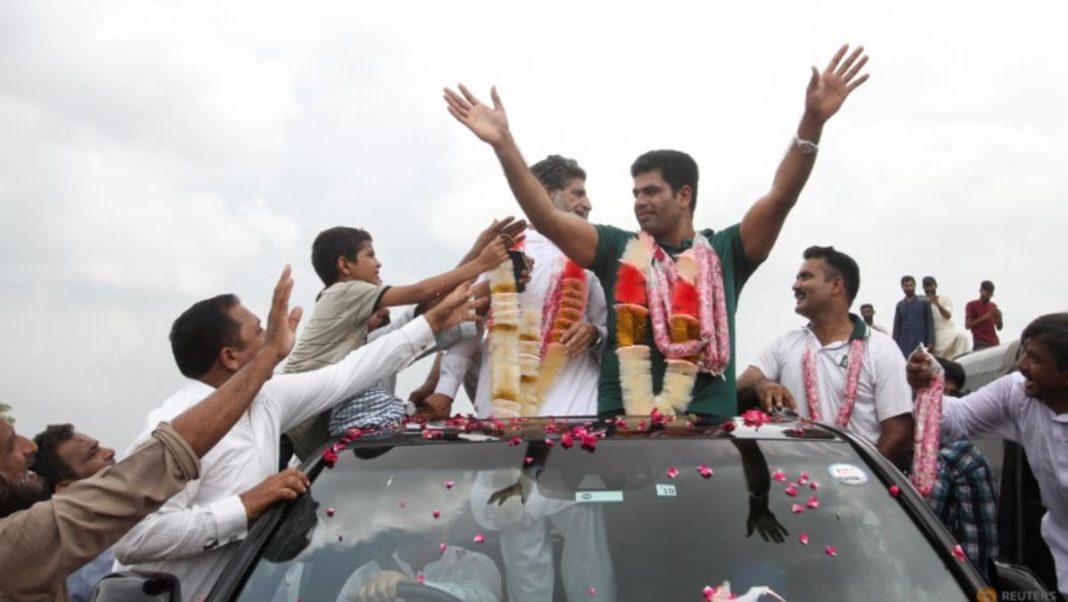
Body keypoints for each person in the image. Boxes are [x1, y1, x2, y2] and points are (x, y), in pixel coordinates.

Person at [444, 44, 871, 417]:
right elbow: (549, 219)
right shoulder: (617, 248)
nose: (639, 201)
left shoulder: (725, 252)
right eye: (635, 192)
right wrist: (504, 144)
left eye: (651, 191)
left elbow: (781, 196)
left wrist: (811, 122)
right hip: (625, 432)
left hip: (705, 429)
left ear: (684, 196)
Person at [112, 277, 484, 601]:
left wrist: (430, 324)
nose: (278, 336)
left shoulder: (266, 397)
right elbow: (133, 537)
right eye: (261, 331)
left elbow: (347, 374)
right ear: (230, 357)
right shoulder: (170, 426)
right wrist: (243, 507)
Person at [0, 266, 307, 602]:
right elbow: (154, 470)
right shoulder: (16, 546)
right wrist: (268, 357)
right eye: (9, 446)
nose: (28, 445)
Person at [282, 222, 511, 459]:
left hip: (295, 427)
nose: (378, 262)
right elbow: (422, 292)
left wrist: (481, 257)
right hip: (285, 424)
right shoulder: (344, 292)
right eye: (370, 255)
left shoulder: (361, 338)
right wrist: (482, 264)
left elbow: (424, 315)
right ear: (344, 265)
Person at [426, 155, 607, 419]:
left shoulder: (595, 251)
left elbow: (610, 328)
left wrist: (594, 333)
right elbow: (471, 320)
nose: (587, 204)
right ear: (546, 193)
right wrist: (445, 390)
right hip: (505, 399)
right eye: (577, 194)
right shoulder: (505, 249)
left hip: (575, 400)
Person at [908, 313, 1068, 596]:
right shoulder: (1017, 394)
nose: (1022, 366)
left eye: (1035, 359)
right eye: (1024, 353)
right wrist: (928, 383)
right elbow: (956, 420)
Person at [737, 246, 913, 465]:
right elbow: (734, 394)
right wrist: (760, 386)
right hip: (797, 485)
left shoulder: (881, 348)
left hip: (858, 491)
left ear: (836, 285)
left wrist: (858, 483)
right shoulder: (785, 343)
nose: (795, 285)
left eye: (805, 277)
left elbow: (899, 433)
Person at [925, 358, 998, 578]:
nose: (942, 403)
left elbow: (977, 547)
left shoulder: (963, 458)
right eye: (936, 392)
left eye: (950, 395)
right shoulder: (891, 441)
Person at [29, 425, 119, 602]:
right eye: (93, 454)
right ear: (66, 487)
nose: (110, 451)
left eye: (99, 446)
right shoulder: (77, 564)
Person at [922, 276, 970, 359]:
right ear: (923, 288)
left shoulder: (944, 299)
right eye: (926, 286)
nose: (929, 288)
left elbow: (948, 315)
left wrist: (937, 304)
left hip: (948, 332)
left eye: (931, 286)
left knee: (962, 338)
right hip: (934, 336)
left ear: (935, 286)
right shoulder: (921, 303)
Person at [892, 275, 934, 357]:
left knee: (921, 365)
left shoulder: (923, 300)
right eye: (906, 286)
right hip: (904, 343)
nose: (909, 288)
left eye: (911, 285)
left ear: (915, 286)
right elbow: (896, 327)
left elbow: (930, 322)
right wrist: (894, 344)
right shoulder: (900, 305)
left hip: (920, 341)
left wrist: (931, 341)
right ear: (902, 287)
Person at [965, 280, 1003, 350]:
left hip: (995, 344)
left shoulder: (993, 306)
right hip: (981, 344)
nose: (989, 297)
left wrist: (1000, 317)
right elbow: (967, 325)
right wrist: (984, 317)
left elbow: (999, 327)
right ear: (981, 291)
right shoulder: (971, 305)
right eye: (987, 294)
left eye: (991, 295)